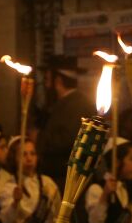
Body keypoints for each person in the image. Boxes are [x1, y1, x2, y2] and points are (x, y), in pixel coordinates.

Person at [36, 55, 95, 186]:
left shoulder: (76, 104)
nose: (45, 85)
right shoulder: (65, 103)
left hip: (66, 179)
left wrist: (38, 138)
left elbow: (67, 140)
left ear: (57, 81)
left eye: (47, 79)